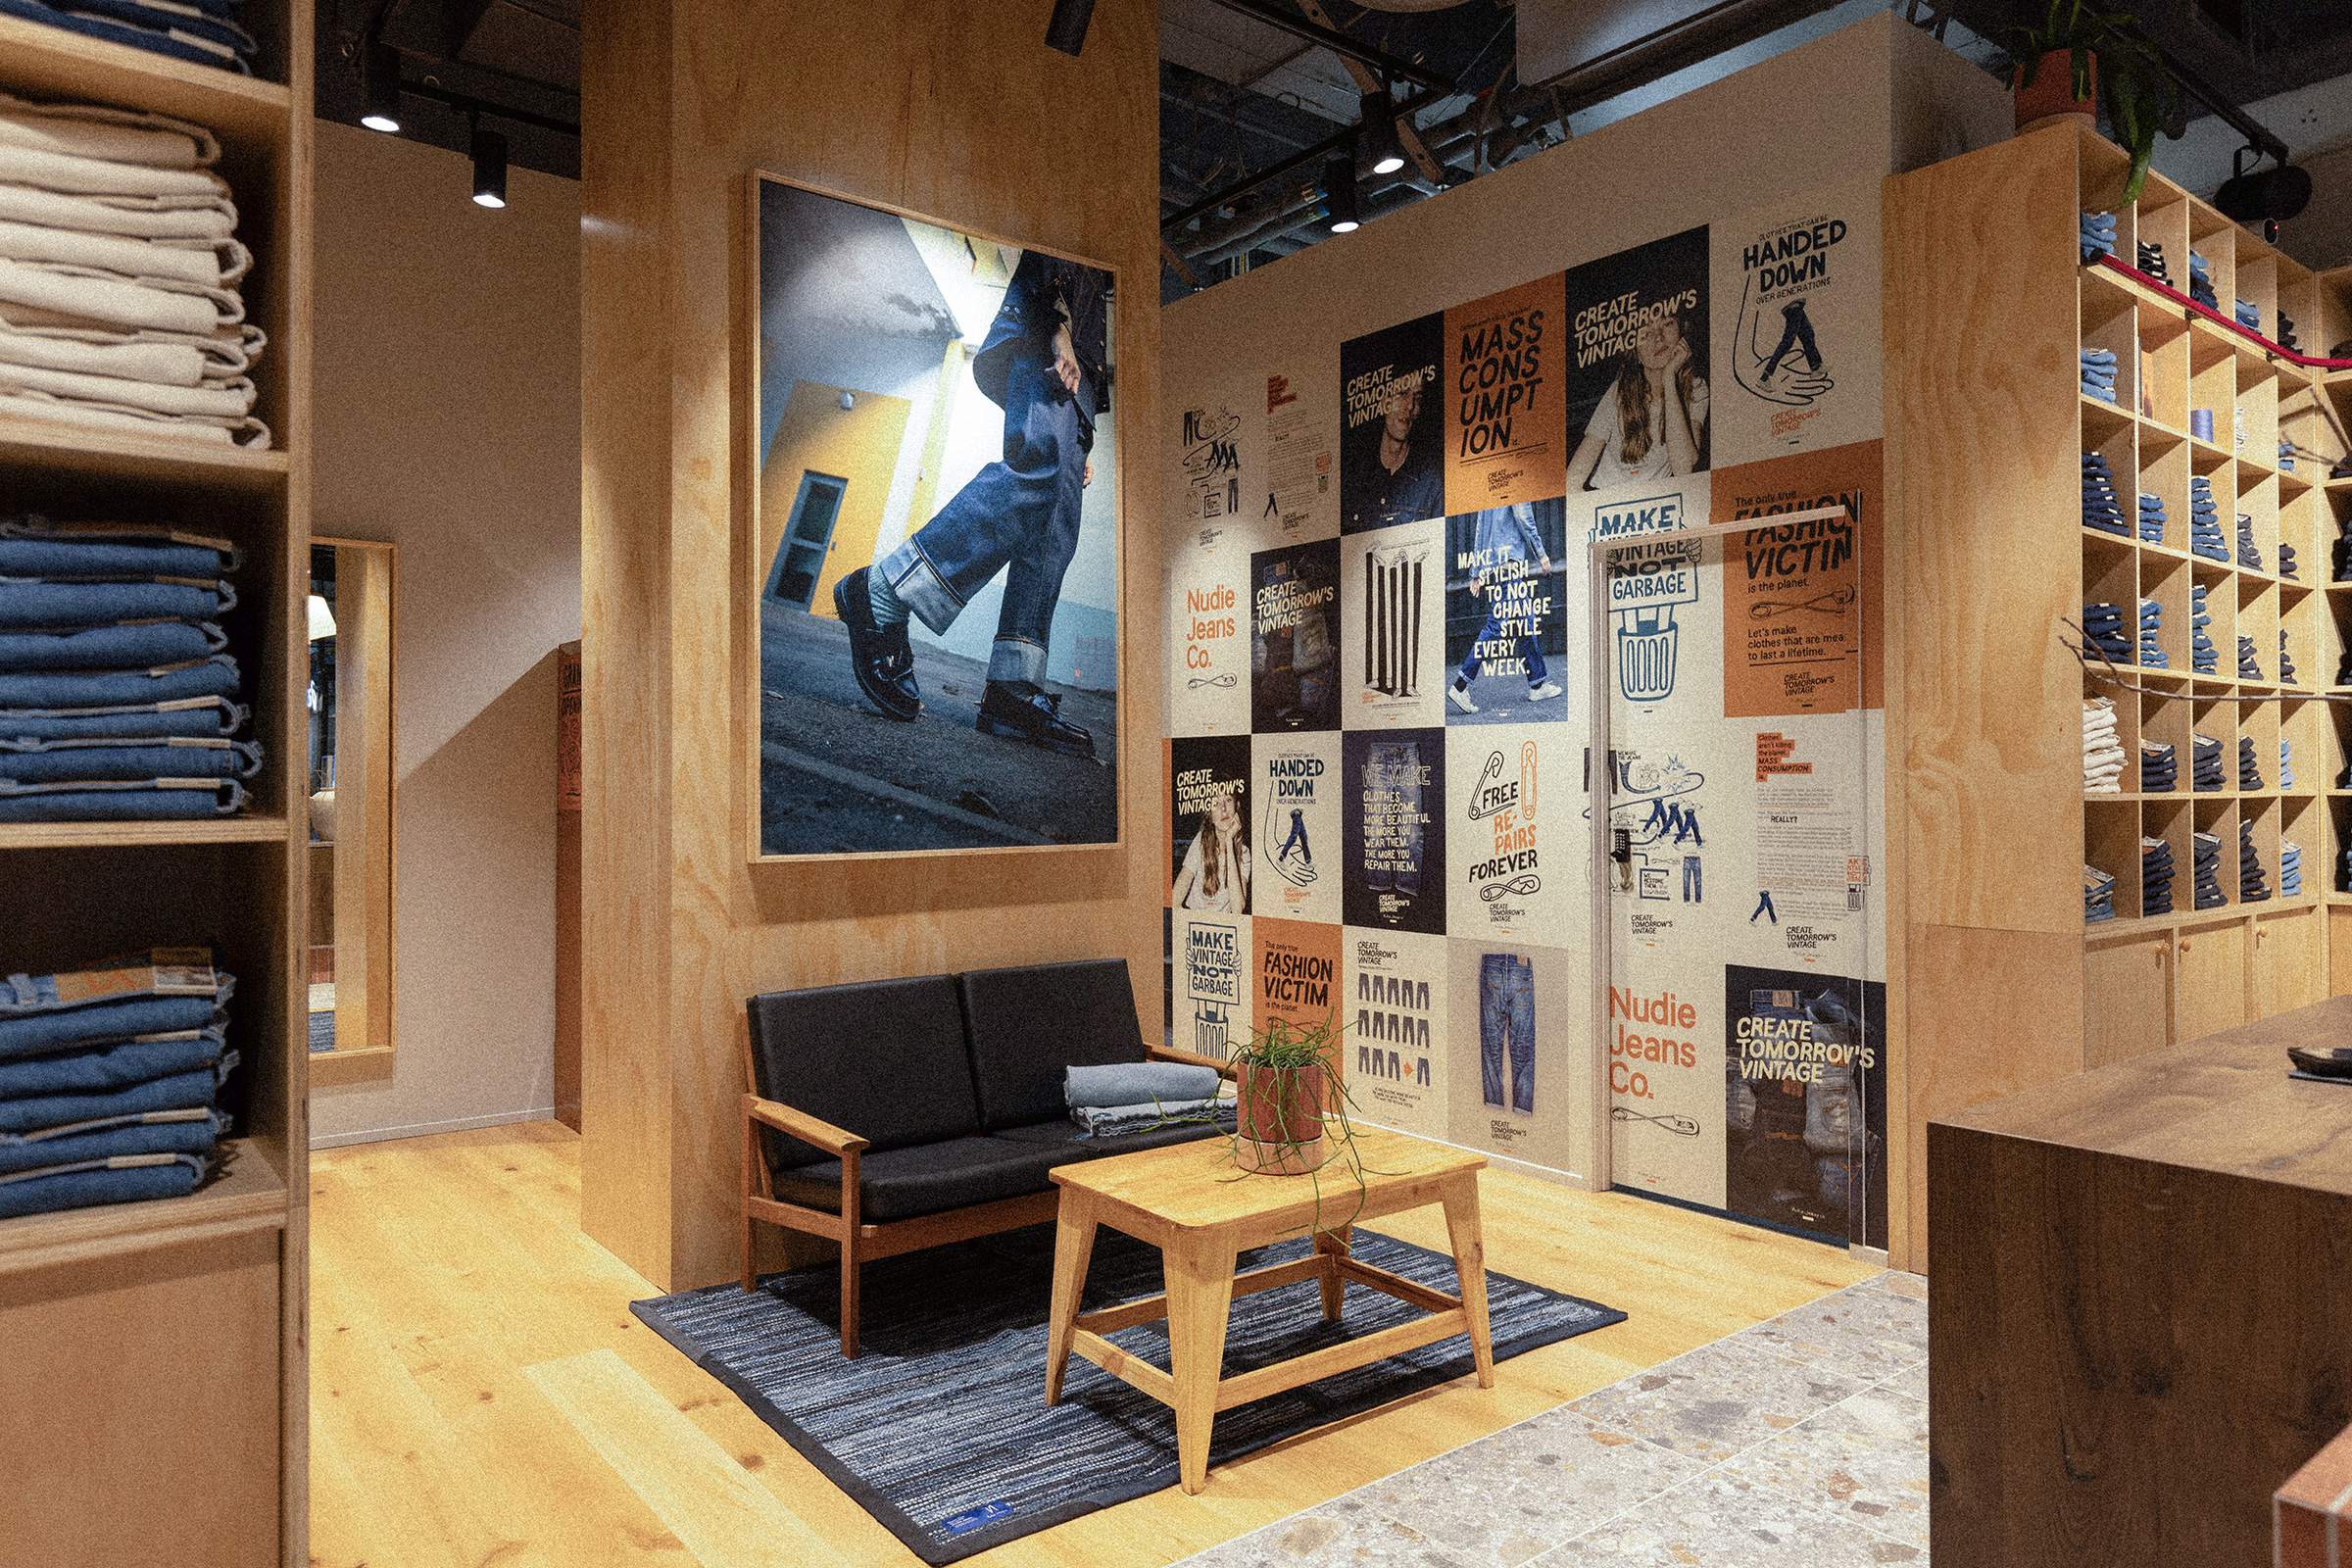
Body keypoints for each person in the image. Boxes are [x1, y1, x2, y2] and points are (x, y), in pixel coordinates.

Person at [833, 249, 1108, 757]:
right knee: (1038, 474)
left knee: (1055, 523)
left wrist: (1081, 439)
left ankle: (1012, 685)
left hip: (1082, 379)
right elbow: (1055, 244)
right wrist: (1055, 323)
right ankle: (882, 591)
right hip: (1044, 332)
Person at [1568, 313, 1709, 491]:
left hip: (1653, 504)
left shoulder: (1696, 388)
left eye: (1667, 324)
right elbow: (1573, 477)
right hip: (1606, 500)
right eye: (1646, 333)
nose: (1658, 338)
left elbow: (1684, 469)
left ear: (1682, 330)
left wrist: (1669, 377)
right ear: (1635, 351)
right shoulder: (1619, 391)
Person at [1447, 503, 1563, 713]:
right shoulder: (1516, 485)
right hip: (1509, 564)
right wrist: (1541, 553)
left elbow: (1481, 530)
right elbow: (1523, 518)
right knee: (1496, 625)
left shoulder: (1489, 495)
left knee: (1525, 623)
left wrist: (1476, 572)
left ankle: (1537, 685)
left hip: (1495, 565)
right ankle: (1460, 686)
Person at [1343, 374, 1443, 530]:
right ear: (1382, 401)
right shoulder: (1354, 479)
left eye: (1417, 397)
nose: (1410, 405)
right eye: (1402, 393)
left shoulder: (1431, 482)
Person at [1171, 786, 1250, 912]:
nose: (1223, 809)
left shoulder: (1244, 852)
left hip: (1224, 927)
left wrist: (1229, 841)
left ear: (1237, 806)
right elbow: (1175, 899)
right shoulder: (1201, 841)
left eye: (1228, 800)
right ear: (1210, 815)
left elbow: (1237, 909)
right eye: (1216, 803)